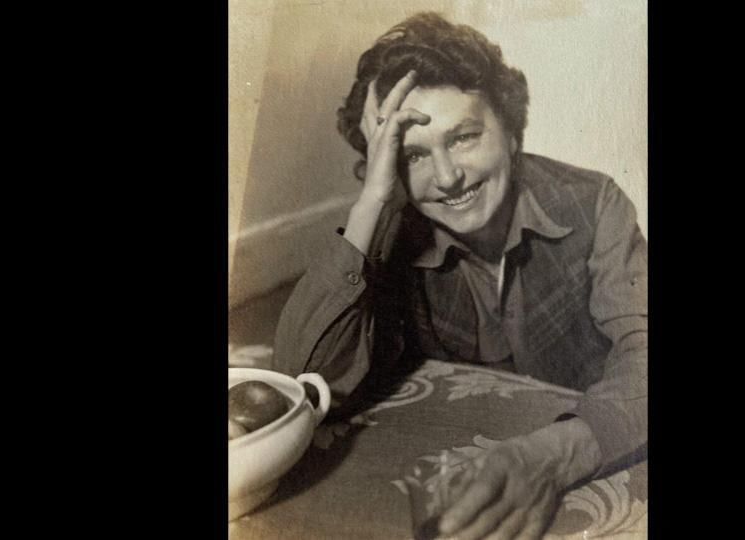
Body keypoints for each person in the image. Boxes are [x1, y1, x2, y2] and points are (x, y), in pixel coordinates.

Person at [272, 12, 646, 540]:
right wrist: (371, 205)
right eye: (413, 156)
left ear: (512, 132)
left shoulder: (596, 202)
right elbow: (300, 385)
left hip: (599, 450)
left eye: (465, 137)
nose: (447, 178)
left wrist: (556, 454)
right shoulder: (392, 228)